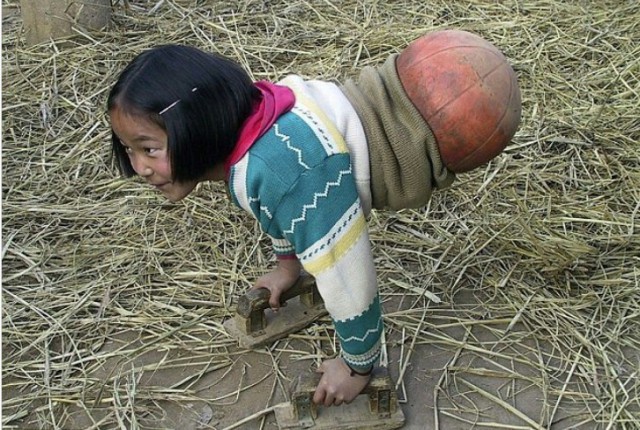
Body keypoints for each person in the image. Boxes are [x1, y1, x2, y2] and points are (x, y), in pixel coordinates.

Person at [107, 36, 519, 407]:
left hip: (441, 118)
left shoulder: (288, 172)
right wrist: (289, 268)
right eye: (129, 149)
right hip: (424, 74)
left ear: (196, 128)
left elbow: (346, 269)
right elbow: (280, 209)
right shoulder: (257, 118)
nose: (139, 167)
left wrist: (358, 365)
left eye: (150, 148)